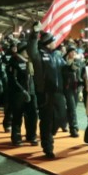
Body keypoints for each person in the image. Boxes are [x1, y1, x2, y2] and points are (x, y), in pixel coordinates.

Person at [27, 26, 66, 158]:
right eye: (53, 40)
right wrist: (34, 34)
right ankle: (47, 146)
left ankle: (50, 133)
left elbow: (64, 68)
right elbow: (31, 50)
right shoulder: (38, 55)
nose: (56, 42)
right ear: (48, 42)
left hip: (59, 93)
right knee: (47, 120)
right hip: (45, 93)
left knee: (61, 117)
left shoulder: (57, 55)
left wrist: (71, 67)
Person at [7, 40, 38, 146]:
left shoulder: (30, 61)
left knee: (33, 115)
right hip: (18, 94)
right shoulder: (14, 61)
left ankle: (31, 135)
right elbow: (13, 79)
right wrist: (23, 91)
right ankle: (16, 137)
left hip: (31, 92)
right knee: (17, 115)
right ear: (22, 51)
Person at [62, 46, 81, 137]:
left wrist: (80, 90)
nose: (73, 53)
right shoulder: (63, 63)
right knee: (72, 108)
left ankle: (63, 122)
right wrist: (69, 68)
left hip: (76, 88)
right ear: (68, 53)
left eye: (75, 52)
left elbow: (79, 77)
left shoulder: (78, 62)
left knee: (72, 108)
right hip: (67, 88)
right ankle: (74, 128)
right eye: (72, 52)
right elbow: (63, 75)